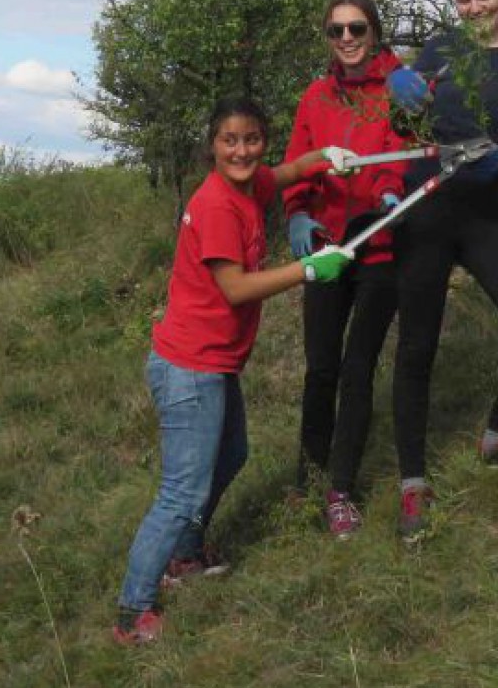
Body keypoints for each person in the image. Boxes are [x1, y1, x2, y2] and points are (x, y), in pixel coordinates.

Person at [111, 97, 360, 646]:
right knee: (181, 491)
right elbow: (236, 287)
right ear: (212, 147)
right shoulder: (219, 204)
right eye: (230, 141)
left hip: (215, 362)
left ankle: (184, 554)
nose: (242, 150)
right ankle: (133, 611)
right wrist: (308, 269)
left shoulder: (254, 186)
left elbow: (291, 171)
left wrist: (327, 156)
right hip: (190, 367)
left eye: (251, 139)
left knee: (231, 455)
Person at [375, 0, 498, 541]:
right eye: (463, 0)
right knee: (417, 345)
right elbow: (407, 125)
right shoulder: (440, 51)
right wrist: (399, 99)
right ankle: (412, 482)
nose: (475, 7)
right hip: (428, 207)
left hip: (490, 208)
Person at [282, 0, 409, 539]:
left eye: (357, 28)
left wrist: (386, 195)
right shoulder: (316, 97)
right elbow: (296, 166)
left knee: (358, 371)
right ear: (328, 38)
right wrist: (297, 217)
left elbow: (406, 151)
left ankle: (340, 489)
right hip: (328, 247)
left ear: (374, 32)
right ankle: (308, 476)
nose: (348, 39)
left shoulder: (398, 88)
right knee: (321, 368)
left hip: (379, 246)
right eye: (337, 31)